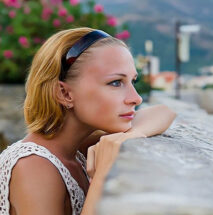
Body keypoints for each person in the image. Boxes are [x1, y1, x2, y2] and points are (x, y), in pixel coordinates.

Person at [0, 27, 176, 215]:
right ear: (64, 93)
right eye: (116, 82)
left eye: (132, 81)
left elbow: (164, 112)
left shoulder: (79, 146)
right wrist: (100, 178)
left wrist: (132, 135)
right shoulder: (33, 166)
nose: (136, 98)